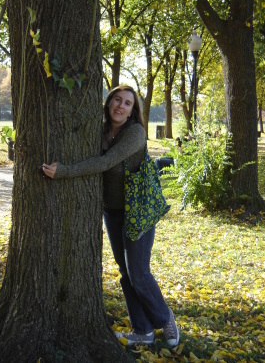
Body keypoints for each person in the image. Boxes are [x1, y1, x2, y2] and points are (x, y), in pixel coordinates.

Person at [42, 85, 180, 347]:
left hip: (138, 211)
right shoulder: (99, 130)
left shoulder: (135, 133)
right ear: (108, 103)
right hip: (112, 211)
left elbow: (105, 163)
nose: (121, 106)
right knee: (125, 272)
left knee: (138, 273)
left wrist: (65, 171)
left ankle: (165, 320)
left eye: (128, 103)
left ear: (132, 111)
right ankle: (143, 330)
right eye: (117, 100)